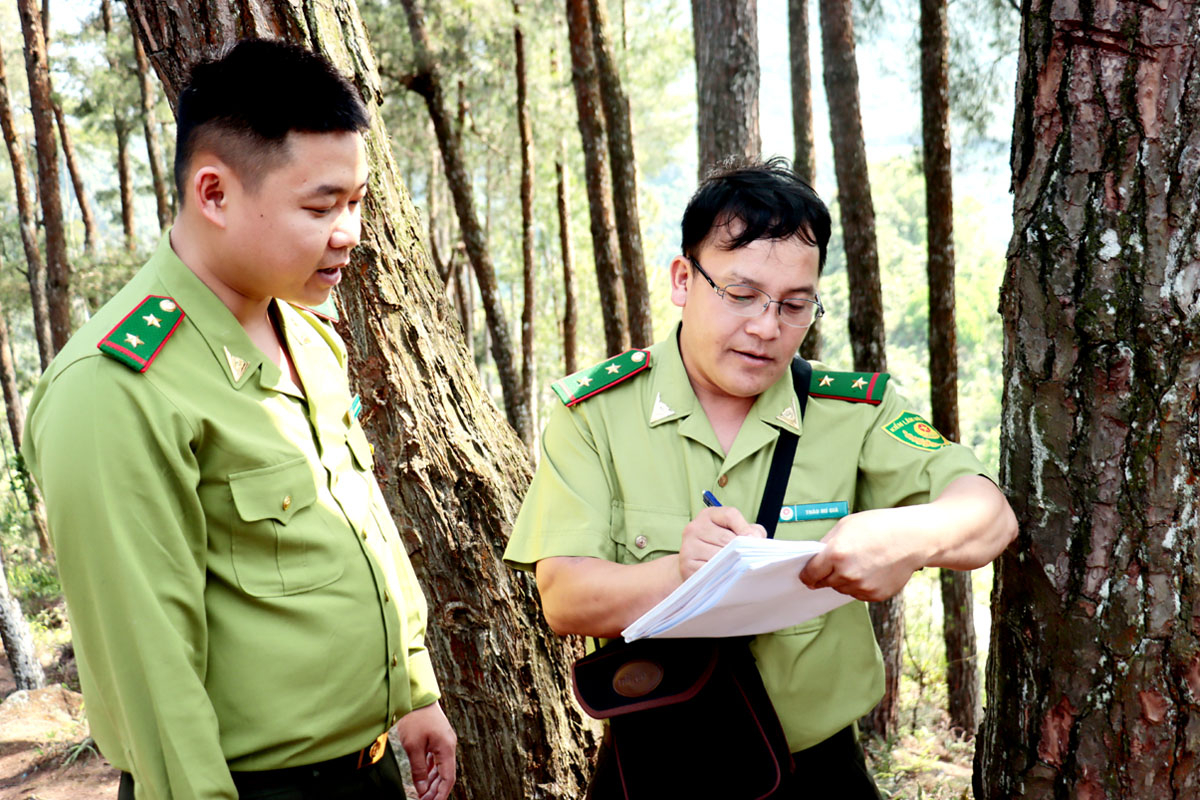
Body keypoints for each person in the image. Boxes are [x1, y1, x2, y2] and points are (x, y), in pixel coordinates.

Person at [23, 39, 456, 800]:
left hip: (368, 768)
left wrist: (413, 689)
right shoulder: (118, 388)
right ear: (214, 194)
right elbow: (150, 670)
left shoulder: (307, 336)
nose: (349, 231)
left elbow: (360, 523)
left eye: (356, 203)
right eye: (321, 207)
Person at [502, 157, 1017, 796]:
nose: (767, 328)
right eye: (741, 296)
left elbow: (989, 513)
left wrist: (907, 536)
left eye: (795, 305)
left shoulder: (848, 412)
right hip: (657, 765)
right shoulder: (596, 414)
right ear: (684, 280)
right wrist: (681, 574)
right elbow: (564, 598)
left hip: (817, 771)